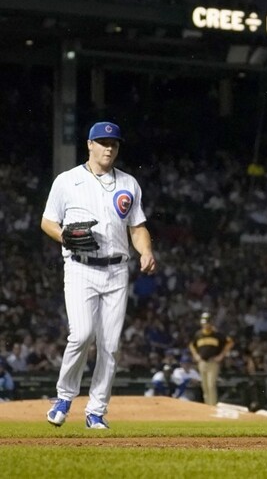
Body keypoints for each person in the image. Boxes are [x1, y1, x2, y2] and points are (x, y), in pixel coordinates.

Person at [42, 121, 156, 429]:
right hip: (80, 266)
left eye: (113, 143)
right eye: (102, 142)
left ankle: (96, 410)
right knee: (81, 334)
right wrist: (65, 237)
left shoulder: (129, 184)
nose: (108, 147)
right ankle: (64, 396)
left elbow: (137, 226)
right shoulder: (67, 181)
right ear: (89, 145)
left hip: (117, 269)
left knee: (110, 345)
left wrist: (145, 251)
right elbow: (48, 221)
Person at [189, 311, 234, 405]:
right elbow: (192, 345)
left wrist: (221, 355)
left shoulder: (217, 334)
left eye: (207, 322)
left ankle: (212, 406)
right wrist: (196, 355)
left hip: (213, 362)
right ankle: (207, 406)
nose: (206, 324)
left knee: (211, 385)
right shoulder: (198, 334)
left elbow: (230, 342)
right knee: (204, 386)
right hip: (202, 362)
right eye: (204, 322)